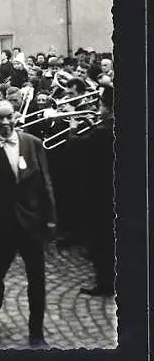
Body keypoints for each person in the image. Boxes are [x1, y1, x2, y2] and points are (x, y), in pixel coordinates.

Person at [0, 100, 56, 349]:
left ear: (16, 117)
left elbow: (46, 183)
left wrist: (51, 219)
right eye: (0, 117)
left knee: (37, 279)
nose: (5, 122)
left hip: (31, 223)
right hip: (0, 224)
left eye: (9, 117)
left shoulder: (33, 143)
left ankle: (36, 332)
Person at [68, 86, 115, 297]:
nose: (98, 109)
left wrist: (72, 129)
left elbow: (77, 149)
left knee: (100, 239)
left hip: (100, 193)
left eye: (100, 105)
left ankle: (105, 283)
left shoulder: (103, 131)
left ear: (107, 107)